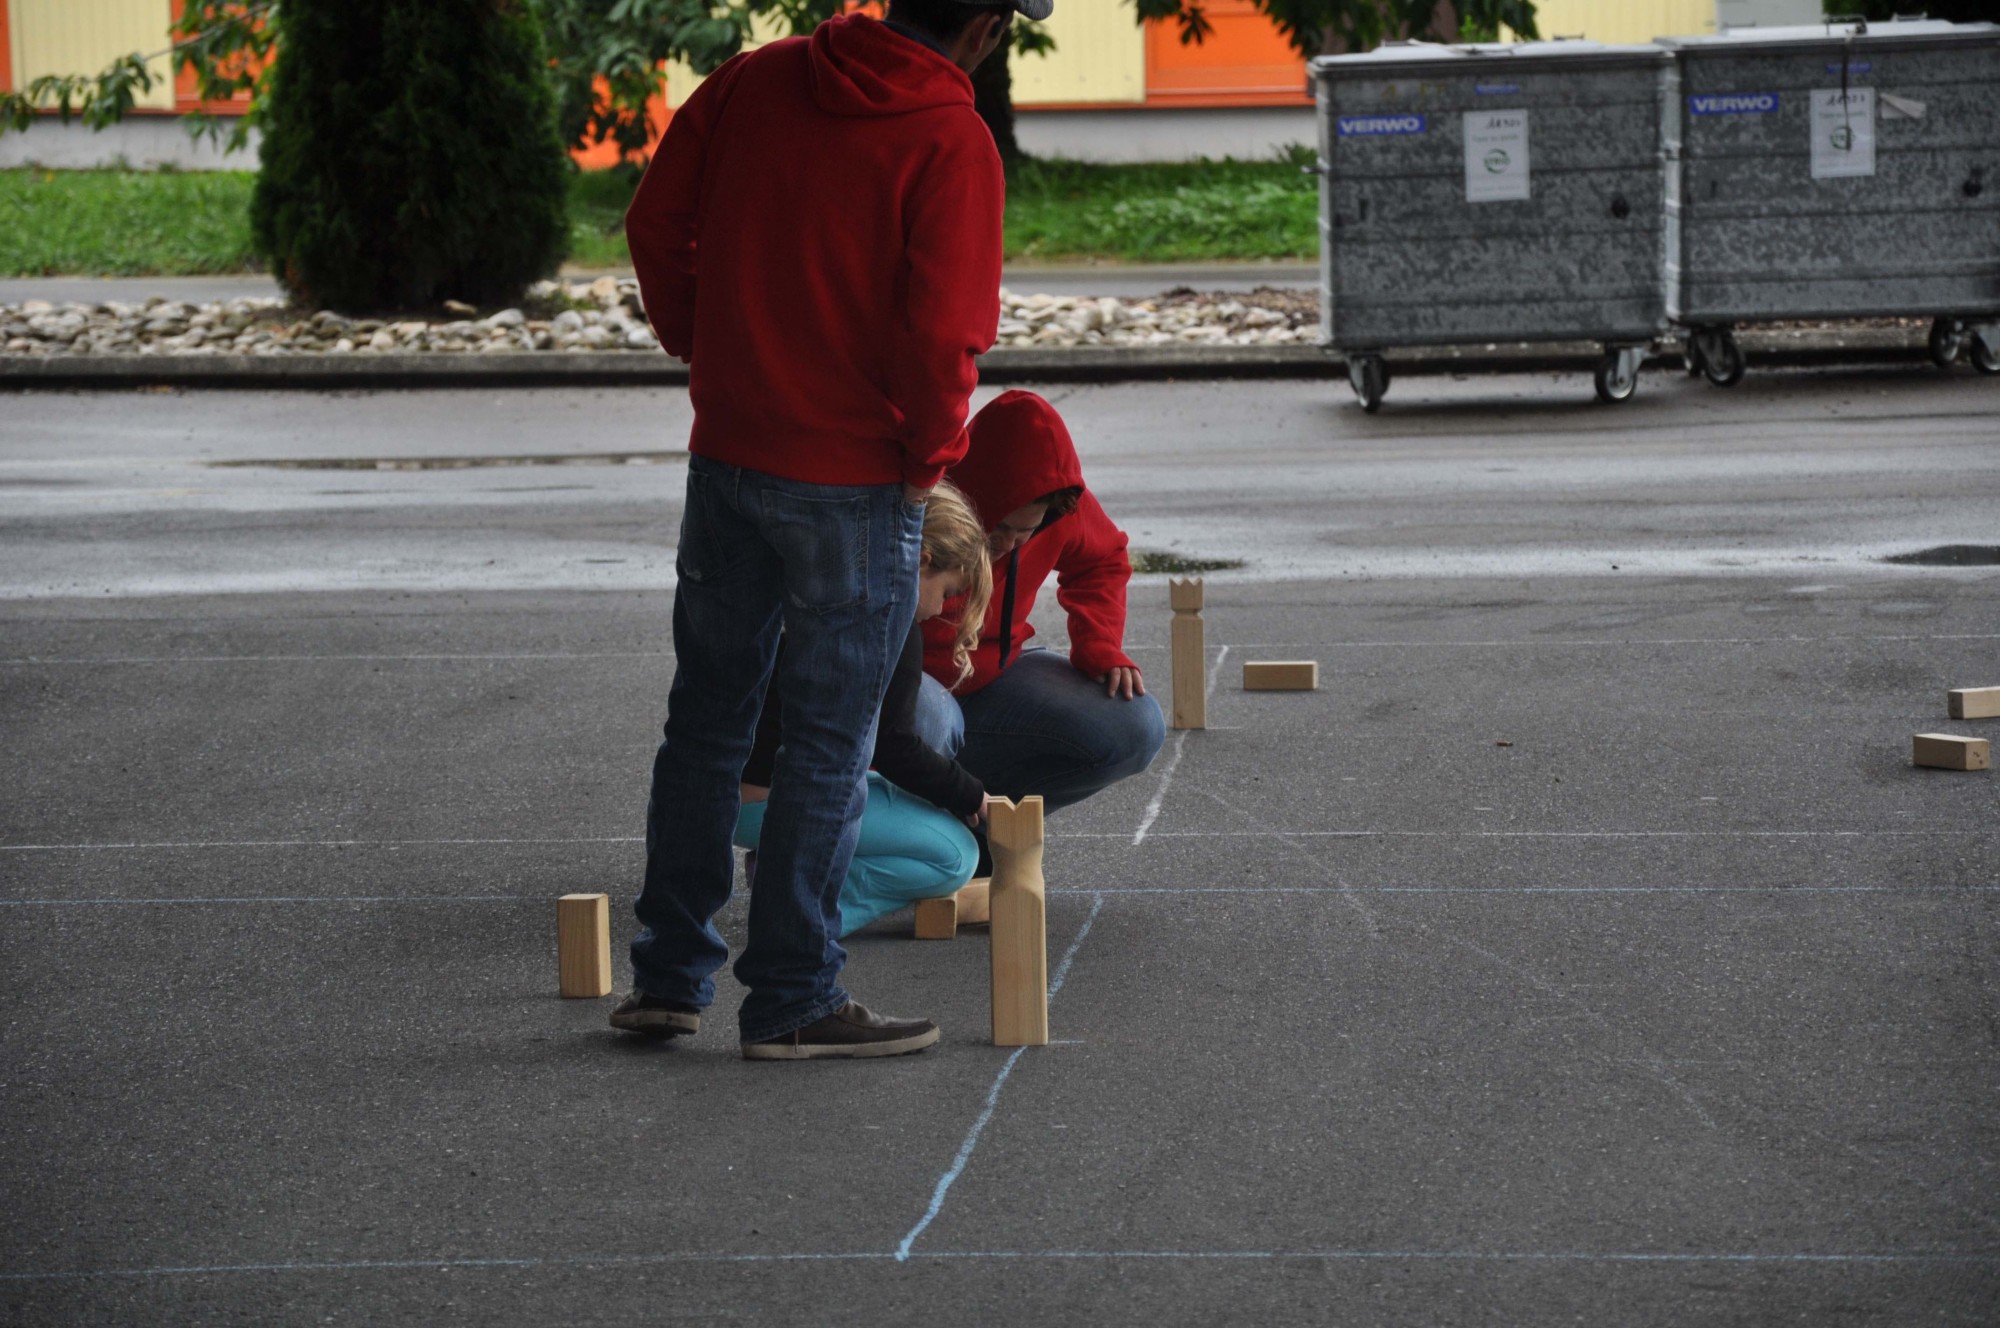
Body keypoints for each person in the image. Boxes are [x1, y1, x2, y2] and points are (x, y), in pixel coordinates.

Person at [612, 0, 1050, 1061]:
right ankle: (792, 997)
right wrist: (927, 463)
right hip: (854, 480)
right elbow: (945, 328)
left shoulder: (756, 80)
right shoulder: (950, 137)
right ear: (985, 28)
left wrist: (702, 343)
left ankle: (668, 977)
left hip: (729, 454)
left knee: (707, 719)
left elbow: (653, 220)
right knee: (829, 742)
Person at [735, 484, 994, 937]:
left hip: (735, 791)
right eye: (947, 592)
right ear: (922, 560)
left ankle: (789, 876)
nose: (939, 609)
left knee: (930, 820)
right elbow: (895, 745)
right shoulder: (895, 618)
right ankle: (803, 911)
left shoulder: (826, 579)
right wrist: (972, 796)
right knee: (955, 855)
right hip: (771, 801)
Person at [918, 390, 1166, 817]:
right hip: (914, 683)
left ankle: (993, 826)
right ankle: (917, 838)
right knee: (930, 723)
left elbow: (1104, 560)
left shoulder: (1061, 507)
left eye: (1026, 531)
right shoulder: (929, 499)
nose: (1011, 544)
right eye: (1001, 528)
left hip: (993, 678)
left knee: (1135, 726)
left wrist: (1098, 644)